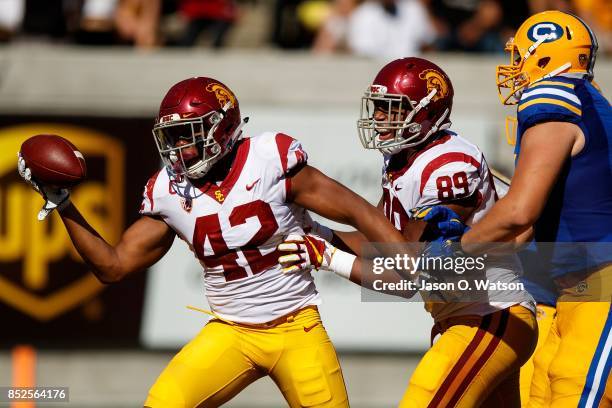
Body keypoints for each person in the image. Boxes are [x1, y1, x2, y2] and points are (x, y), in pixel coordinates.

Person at [17, 76, 410, 407]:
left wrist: (404, 257)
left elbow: (358, 211)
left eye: (187, 135)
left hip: (297, 328)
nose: (178, 149)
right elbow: (113, 267)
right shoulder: (168, 190)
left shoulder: (269, 159)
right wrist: (63, 205)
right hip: (230, 331)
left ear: (220, 128)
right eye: (171, 137)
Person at [279, 57, 538, 407]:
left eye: (393, 108)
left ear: (428, 112)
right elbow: (386, 244)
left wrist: (328, 257)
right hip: (464, 318)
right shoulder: (405, 159)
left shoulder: (448, 165)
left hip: (490, 314)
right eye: (379, 107)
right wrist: (319, 232)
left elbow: (408, 276)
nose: (380, 118)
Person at [423, 10, 612, 407]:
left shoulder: (555, 95)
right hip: (569, 288)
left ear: (546, 55)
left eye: (520, 55)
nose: (514, 68)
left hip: (601, 284)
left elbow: (520, 213)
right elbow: (525, 229)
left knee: (576, 392)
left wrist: (458, 252)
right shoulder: (588, 102)